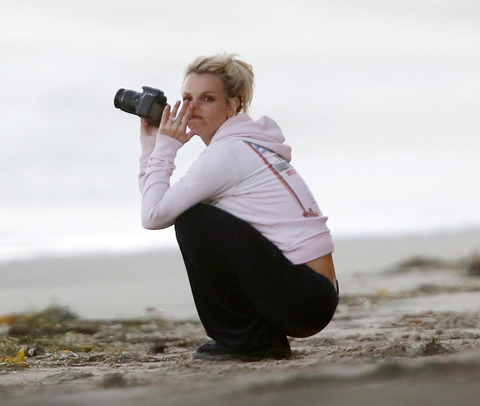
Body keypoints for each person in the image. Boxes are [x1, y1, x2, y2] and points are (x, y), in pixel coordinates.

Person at [138, 53, 339, 361]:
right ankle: (260, 337)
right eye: (186, 98)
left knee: (194, 220)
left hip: (305, 299)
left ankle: (250, 341)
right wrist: (152, 146)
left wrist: (165, 150)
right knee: (195, 216)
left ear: (233, 105)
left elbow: (153, 216)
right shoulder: (243, 145)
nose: (191, 109)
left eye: (206, 99)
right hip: (311, 295)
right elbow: (156, 206)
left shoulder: (228, 154)